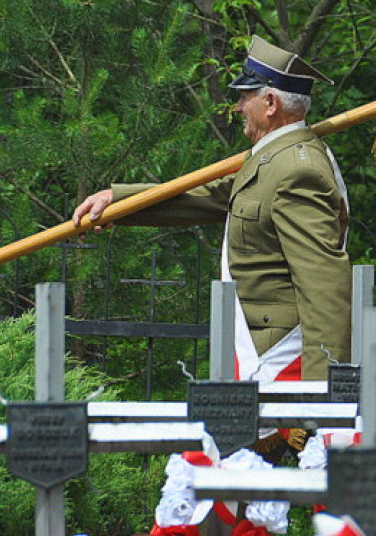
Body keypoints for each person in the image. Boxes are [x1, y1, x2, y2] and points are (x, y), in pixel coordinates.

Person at [72, 36, 351, 382]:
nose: (237, 107)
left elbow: (324, 284)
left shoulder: (295, 168)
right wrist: (118, 202)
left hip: (281, 359)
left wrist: (322, 394)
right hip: (260, 347)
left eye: (244, 97)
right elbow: (211, 195)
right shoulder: (274, 157)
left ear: (270, 103)